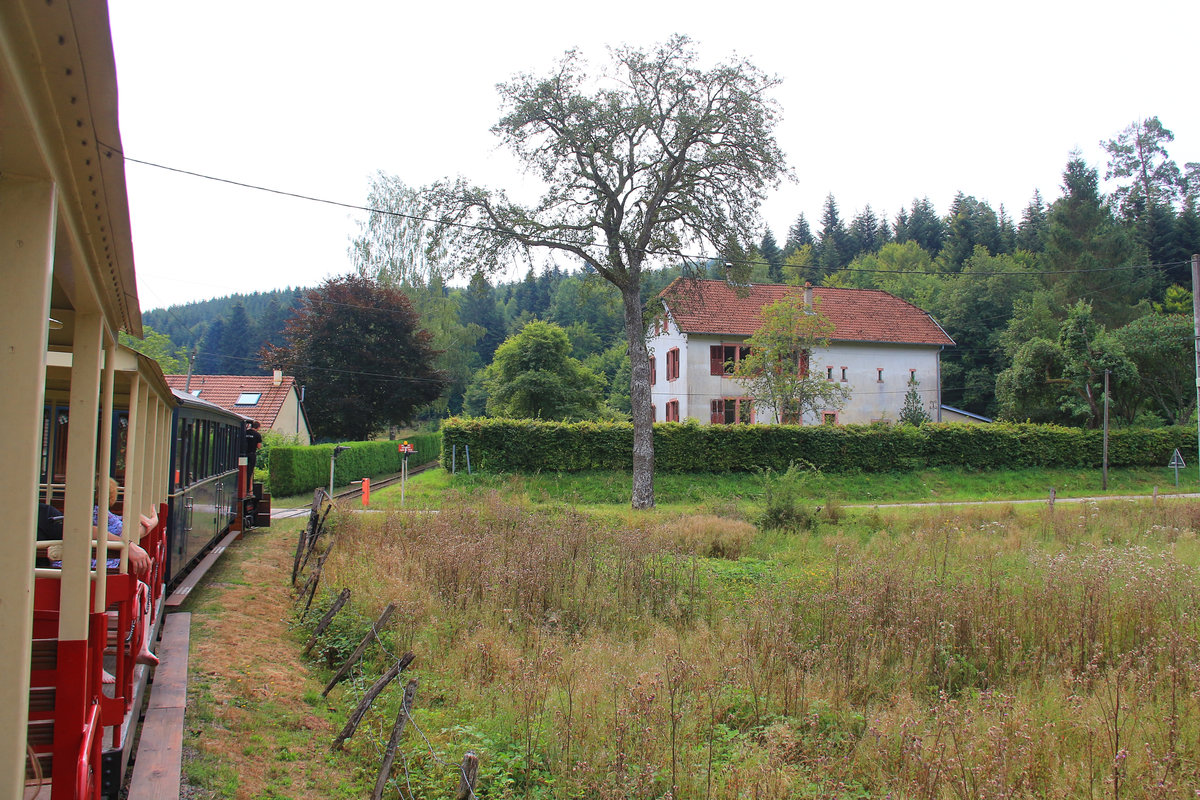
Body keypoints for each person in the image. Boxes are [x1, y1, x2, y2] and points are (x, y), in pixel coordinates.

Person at [245, 420, 263, 495]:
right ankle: (249, 489)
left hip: (244, 454)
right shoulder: (257, 435)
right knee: (250, 472)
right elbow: (259, 447)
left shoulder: (245, 433)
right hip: (252, 454)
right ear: (258, 427)